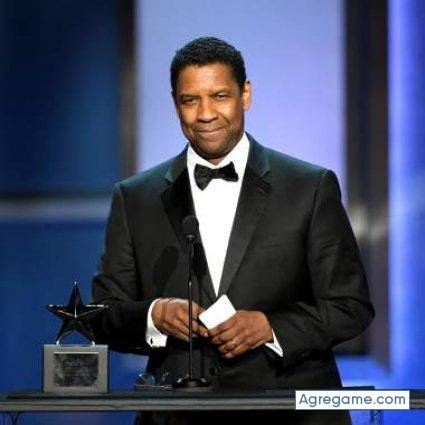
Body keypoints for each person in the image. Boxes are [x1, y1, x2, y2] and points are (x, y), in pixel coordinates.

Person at [92, 37, 374, 425]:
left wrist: (270, 327)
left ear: (245, 95)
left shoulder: (308, 187)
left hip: (287, 414)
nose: (206, 114)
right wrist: (155, 316)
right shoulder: (136, 198)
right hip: (179, 417)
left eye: (219, 96)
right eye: (190, 100)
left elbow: (351, 306)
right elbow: (103, 315)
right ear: (175, 104)